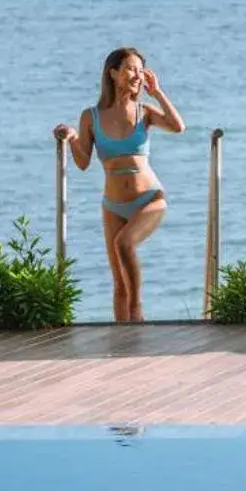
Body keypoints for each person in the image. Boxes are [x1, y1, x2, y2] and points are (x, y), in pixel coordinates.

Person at [53, 48, 186, 322]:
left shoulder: (144, 112)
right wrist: (72, 137)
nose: (136, 74)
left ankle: (138, 310)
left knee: (124, 244)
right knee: (118, 285)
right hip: (113, 206)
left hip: (150, 199)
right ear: (113, 73)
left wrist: (157, 92)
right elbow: (82, 162)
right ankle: (123, 341)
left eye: (140, 69)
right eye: (130, 68)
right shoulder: (91, 116)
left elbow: (177, 126)